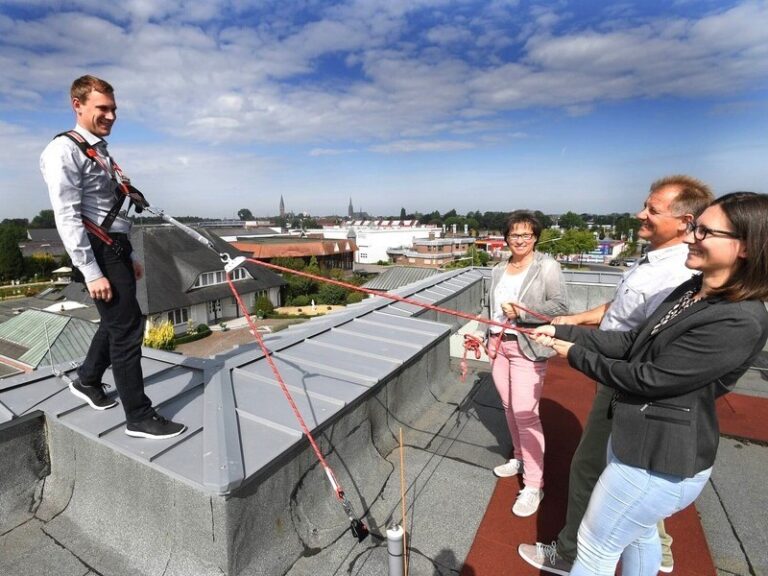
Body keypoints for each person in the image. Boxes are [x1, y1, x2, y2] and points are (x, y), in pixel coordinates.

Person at [531, 192, 768, 576]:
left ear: (745, 247)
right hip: (637, 441)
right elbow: (632, 342)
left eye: (705, 231)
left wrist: (573, 354)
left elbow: (650, 379)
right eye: (694, 227)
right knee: (638, 537)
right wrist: (567, 332)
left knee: (595, 549)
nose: (691, 238)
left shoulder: (740, 319)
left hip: (658, 459)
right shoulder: (694, 288)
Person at [40, 75, 186, 440]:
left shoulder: (99, 150)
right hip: (97, 248)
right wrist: (91, 271)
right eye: (102, 108)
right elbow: (68, 216)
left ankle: (88, 380)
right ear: (78, 105)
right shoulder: (64, 150)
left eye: (113, 109)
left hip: (114, 245)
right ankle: (138, 415)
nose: (110, 116)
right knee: (127, 328)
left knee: (120, 318)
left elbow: (112, 208)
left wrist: (130, 252)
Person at [481, 210, 568, 517]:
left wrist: (523, 311)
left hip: (526, 348)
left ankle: (533, 484)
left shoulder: (547, 266)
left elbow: (559, 306)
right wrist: (484, 337)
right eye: (514, 235)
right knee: (508, 408)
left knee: (525, 414)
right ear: (506, 238)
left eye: (526, 235)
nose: (520, 240)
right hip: (497, 345)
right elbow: (489, 308)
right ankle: (518, 457)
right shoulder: (497, 270)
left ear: (535, 238)